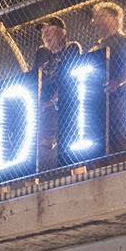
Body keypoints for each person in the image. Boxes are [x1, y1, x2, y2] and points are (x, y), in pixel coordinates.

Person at [33, 15, 82, 168]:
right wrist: (39, 101)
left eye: (49, 30)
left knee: (71, 143)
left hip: (64, 104)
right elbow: (35, 78)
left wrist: (54, 99)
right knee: (38, 142)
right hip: (44, 107)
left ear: (62, 32)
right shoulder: (41, 53)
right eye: (43, 32)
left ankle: (78, 173)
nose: (45, 35)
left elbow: (70, 76)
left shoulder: (72, 47)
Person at [89, 2, 126, 153]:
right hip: (99, 102)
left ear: (115, 18)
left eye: (102, 16)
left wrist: (119, 81)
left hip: (119, 97)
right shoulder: (95, 48)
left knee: (120, 132)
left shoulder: (125, 40)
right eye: (96, 18)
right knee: (101, 137)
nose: (97, 21)